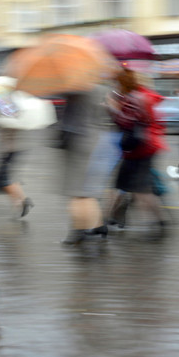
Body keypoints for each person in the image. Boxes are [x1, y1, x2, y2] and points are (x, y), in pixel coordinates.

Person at [108, 68, 168, 236]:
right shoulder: (145, 95)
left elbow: (125, 122)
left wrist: (112, 108)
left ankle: (161, 222)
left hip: (138, 149)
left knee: (140, 190)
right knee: (125, 186)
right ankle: (113, 219)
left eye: (116, 82)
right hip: (144, 147)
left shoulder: (134, 98)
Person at [58, 85, 111, 246]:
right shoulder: (99, 88)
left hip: (78, 141)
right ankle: (99, 225)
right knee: (86, 189)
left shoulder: (77, 90)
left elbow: (72, 117)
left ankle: (77, 231)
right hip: (93, 138)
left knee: (77, 191)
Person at [0, 127, 33, 219]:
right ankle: (20, 202)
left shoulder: (9, 119)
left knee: (3, 181)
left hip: (9, 150)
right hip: (14, 149)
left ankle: (22, 202)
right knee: (10, 178)